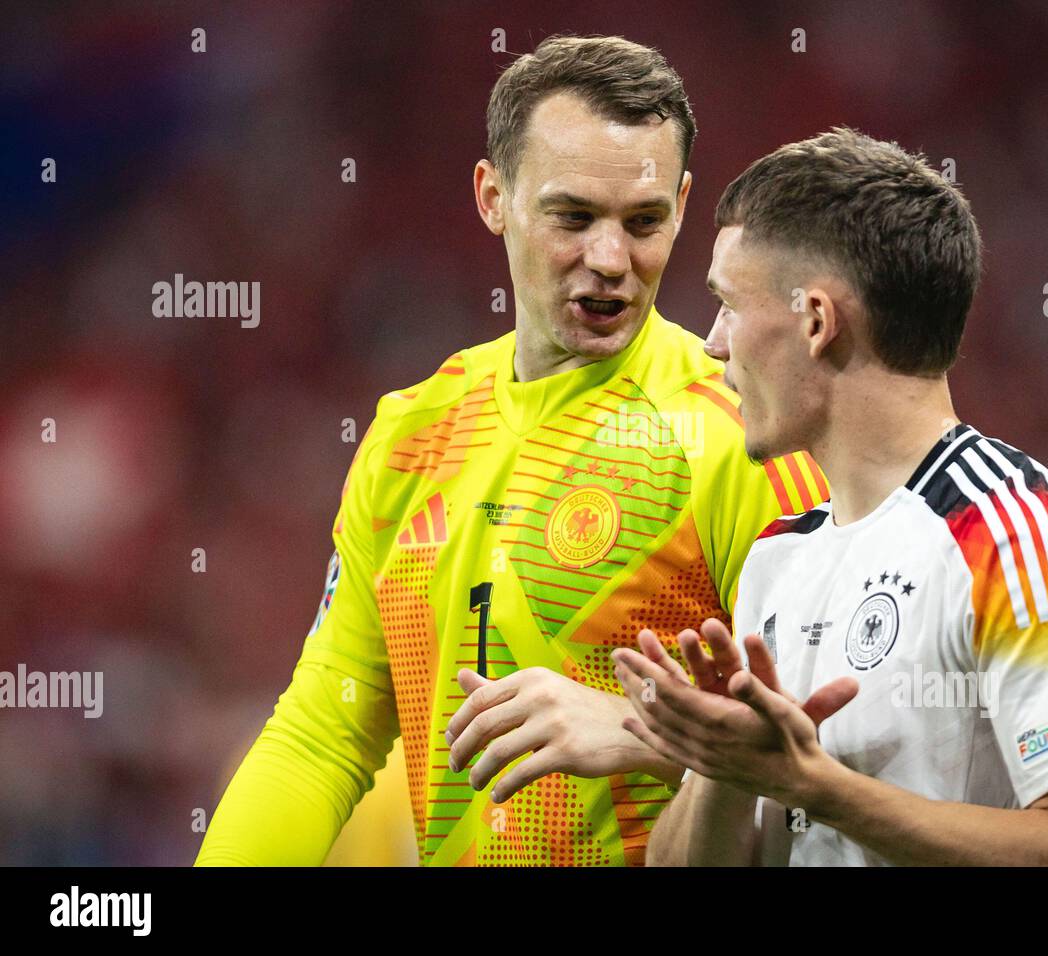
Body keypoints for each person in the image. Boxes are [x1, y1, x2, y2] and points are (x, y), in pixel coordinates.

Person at [195, 35, 825, 867]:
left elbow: (840, 743)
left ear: (681, 204)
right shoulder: (411, 434)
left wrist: (644, 732)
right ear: (494, 196)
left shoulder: (743, 438)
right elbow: (322, 740)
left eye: (644, 222)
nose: (610, 261)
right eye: (572, 217)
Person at [613, 129, 1048, 866]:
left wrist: (817, 787)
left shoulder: (1020, 533)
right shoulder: (778, 557)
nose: (712, 343)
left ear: (815, 321)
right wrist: (721, 764)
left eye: (728, 305)